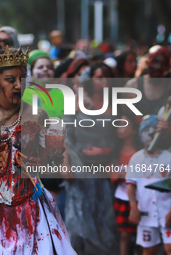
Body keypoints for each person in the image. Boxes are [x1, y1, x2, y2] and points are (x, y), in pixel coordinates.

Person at [0, 44, 75, 254]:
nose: (19, 85)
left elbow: (46, 164)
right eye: (10, 80)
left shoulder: (38, 117)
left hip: (29, 209)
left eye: (22, 79)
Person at [63, 63, 120, 255]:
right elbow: (65, 137)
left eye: (106, 76)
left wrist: (107, 154)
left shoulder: (116, 102)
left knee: (104, 217)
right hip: (80, 167)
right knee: (79, 220)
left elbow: (123, 137)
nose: (104, 81)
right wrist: (66, 165)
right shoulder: (75, 102)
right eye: (99, 77)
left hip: (105, 168)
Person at [126, 115, 171, 255]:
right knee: (149, 249)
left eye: (153, 131)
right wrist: (133, 207)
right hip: (146, 213)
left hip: (167, 212)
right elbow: (131, 185)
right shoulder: (136, 158)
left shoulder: (168, 157)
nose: (150, 134)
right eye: (146, 130)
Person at [111, 112, 142, 255]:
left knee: (141, 235)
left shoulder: (139, 153)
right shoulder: (115, 150)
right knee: (124, 234)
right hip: (121, 195)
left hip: (138, 197)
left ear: (135, 130)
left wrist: (125, 175)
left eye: (124, 125)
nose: (120, 128)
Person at [125, 45, 170, 115]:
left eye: (162, 64)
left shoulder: (168, 88)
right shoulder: (133, 85)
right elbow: (126, 115)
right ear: (148, 63)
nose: (158, 67)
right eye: (155, 62)